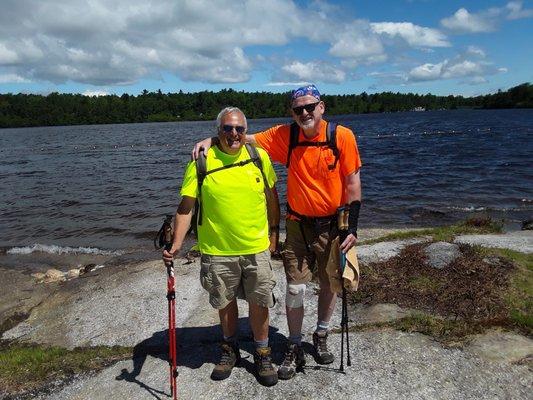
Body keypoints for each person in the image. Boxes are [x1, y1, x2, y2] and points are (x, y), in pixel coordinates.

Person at [192, 85, 362, 380]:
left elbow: (352, 182)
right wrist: (211, 137)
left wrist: (352, 226)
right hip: (297, 223)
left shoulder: (342, 136)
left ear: (322, 106)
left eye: (310, 107)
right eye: (298, 109)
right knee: (295, 287)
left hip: (333, 224)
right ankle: (294, 344)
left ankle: (321, 334)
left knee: (330, 284)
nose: (305, 114)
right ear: (292, 113)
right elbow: (242, 136)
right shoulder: (287, 135)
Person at [163, 107, 280, 387]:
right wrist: (176, 244)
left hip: (255, 247)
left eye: (239, 128)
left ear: (246, 130)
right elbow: (186, 208)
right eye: (227, 128)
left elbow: (272, 197)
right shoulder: (201, 162)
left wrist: (275, 233)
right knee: (225, 303)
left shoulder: (258, 156)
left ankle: (262, 352)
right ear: (218, 131)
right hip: (217, 250)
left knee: (260, 302)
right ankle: (230, 350)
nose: (234, 133)